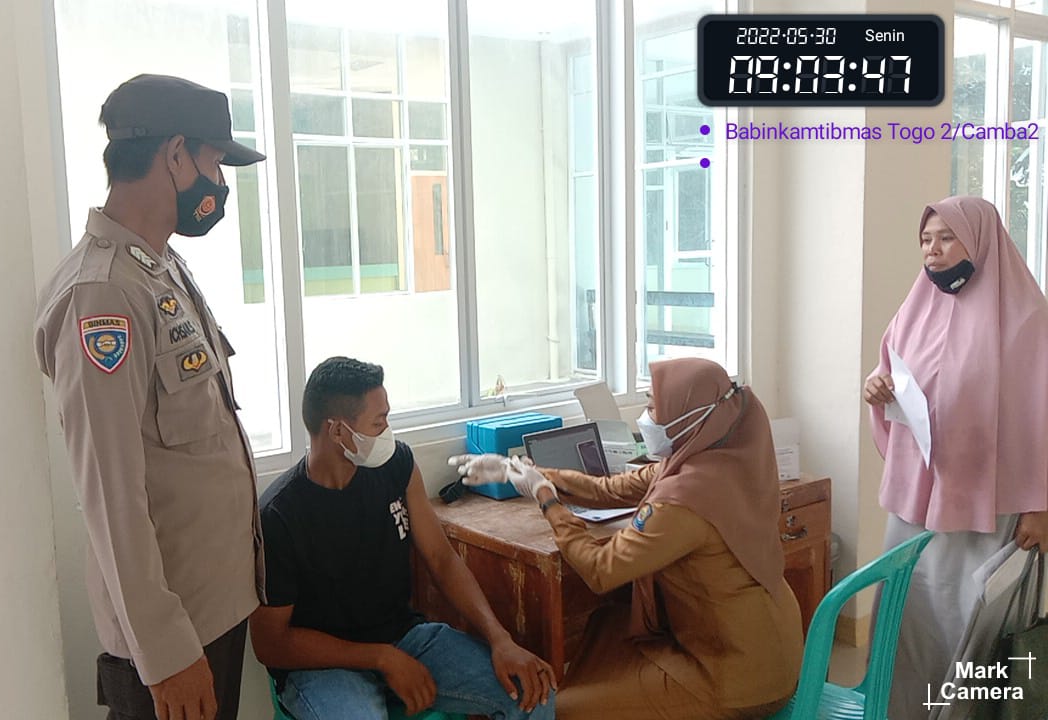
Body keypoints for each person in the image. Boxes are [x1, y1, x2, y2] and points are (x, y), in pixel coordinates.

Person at [34, 74, 267, 720]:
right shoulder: (102, 295)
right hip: (170, 635)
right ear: (175, 155)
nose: (218, 184)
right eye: (214, 163)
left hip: (210, 608)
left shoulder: (160, 268)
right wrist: (165, 652)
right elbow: (111, 495)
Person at [451, 358, 803, 719]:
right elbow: (610, 489)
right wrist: (518, 471)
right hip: (767, 642)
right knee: (607, 624)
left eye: (653, 406)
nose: (645, 417)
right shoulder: (721, 457)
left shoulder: (686, 499)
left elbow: (601, 569)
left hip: (738, 678)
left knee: (561, 711)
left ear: (688, 416)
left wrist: (546, 499)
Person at [250, 357, 556, 720]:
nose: (387, 432)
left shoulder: (396, 466)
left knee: (534, 693)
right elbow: (271, 644)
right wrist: (381, 658)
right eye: (378, 422)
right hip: (324, 666)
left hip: (404, 638)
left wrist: (499, 638)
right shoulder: (280, 515)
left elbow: (442, 559)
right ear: (337, 431)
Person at [862, 195, 1048, 719]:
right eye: (926, 239)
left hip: (988, 505)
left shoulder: (1028, 319)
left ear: (981, 242)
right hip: (915, 502)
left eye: (947, 238)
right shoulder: (913, 310)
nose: (933, 250)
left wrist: (1041, 505)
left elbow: (1041, 415)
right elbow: (891, 375)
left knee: (968, 623)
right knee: (908, 616)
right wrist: (876, 388)